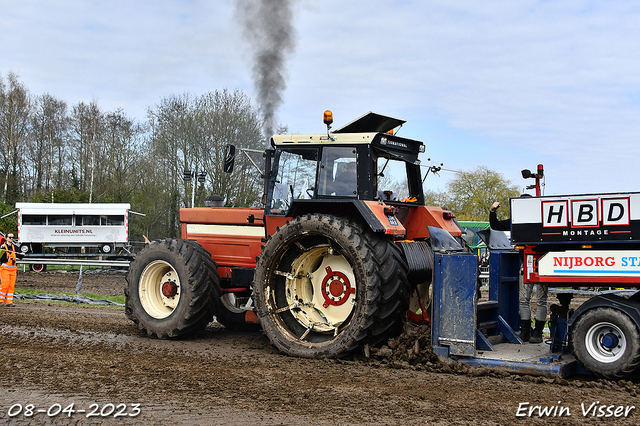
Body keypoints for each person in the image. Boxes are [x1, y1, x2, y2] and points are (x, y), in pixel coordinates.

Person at [489, 201, 548, 343]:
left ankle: (531, 332)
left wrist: (492, 211)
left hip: (535, 265)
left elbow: (496, 226)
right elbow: (496, 226)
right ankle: (532, 332)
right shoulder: (531, 220)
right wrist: (492, 212)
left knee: (529, 299)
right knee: (534, 300)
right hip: (537, 265)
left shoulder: (522, 221)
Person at [0, 233, 24, 306]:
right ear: (6, 238)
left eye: (12, 237)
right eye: (10, 237)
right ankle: (1, 300)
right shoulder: (3, 247)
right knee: (5, 284)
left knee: (11, 285)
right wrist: (1, 248)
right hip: (4, 269)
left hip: (13, 270)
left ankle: (9, 302)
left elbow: (20, 256)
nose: (11, 239)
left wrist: (22, 254)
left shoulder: (15, 247)